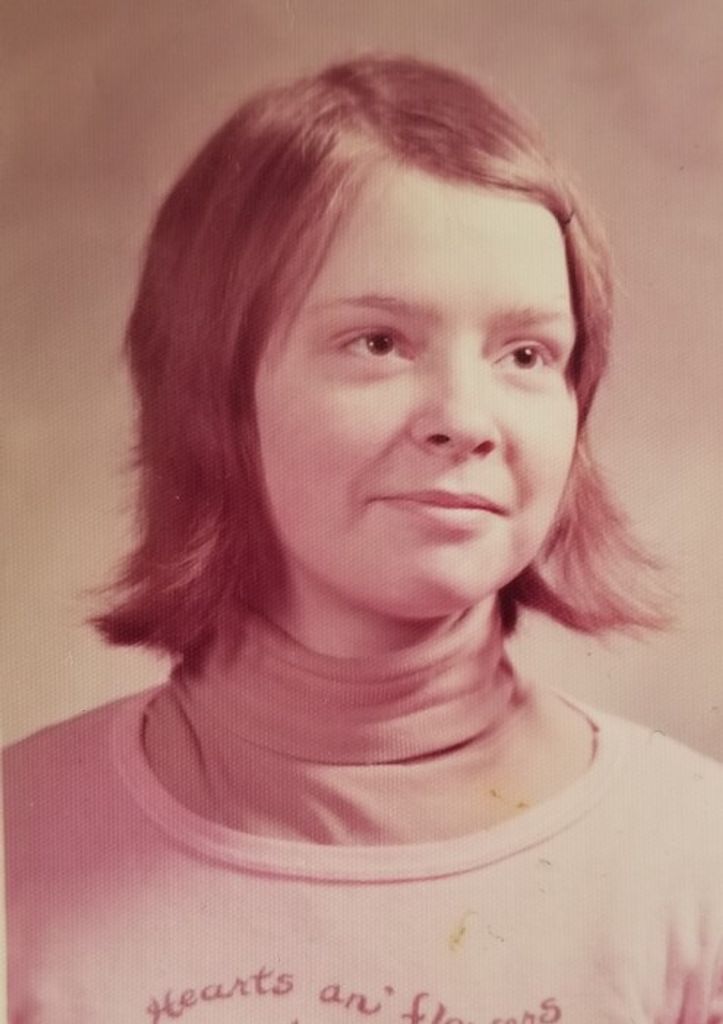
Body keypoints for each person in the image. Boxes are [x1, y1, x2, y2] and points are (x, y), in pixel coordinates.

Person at [4, 55, 723, 1024]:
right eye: (378, 342)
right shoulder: (20, 843)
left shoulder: (694, 863)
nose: (464, 419)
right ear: (214, 391)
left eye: (525, 353)